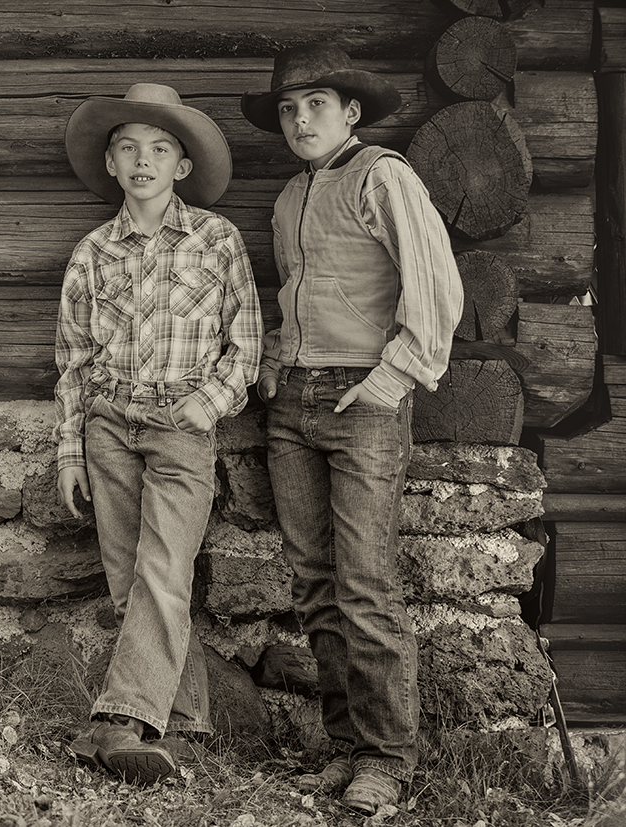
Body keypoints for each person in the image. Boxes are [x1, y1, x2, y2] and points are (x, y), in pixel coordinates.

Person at [241, 43, 463, 813]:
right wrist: (273, 365)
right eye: (289, 109)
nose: (300, 119)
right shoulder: (286, 199)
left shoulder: (383, 175)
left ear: (351, 113)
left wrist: (394, 376)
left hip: (363, 394)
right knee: (313, 581)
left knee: (366, 580)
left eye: (316, 106)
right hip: (295, 400)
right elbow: (301, 295)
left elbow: (435, 281)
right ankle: (345, 745)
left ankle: (388, 756)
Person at [54, 83, 263, 784]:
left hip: (181, 424)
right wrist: (70, 450)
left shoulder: (216, 239)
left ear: (181, 165)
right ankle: (188, 725)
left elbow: (247, 344)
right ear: (111, 164)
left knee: (164, 570)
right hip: (109, 423)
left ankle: (120, 723)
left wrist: (209, 404)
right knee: (129, 583)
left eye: (160, 148)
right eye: (128, 148)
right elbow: (73, 361)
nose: (143, 160)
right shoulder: (91, 254)